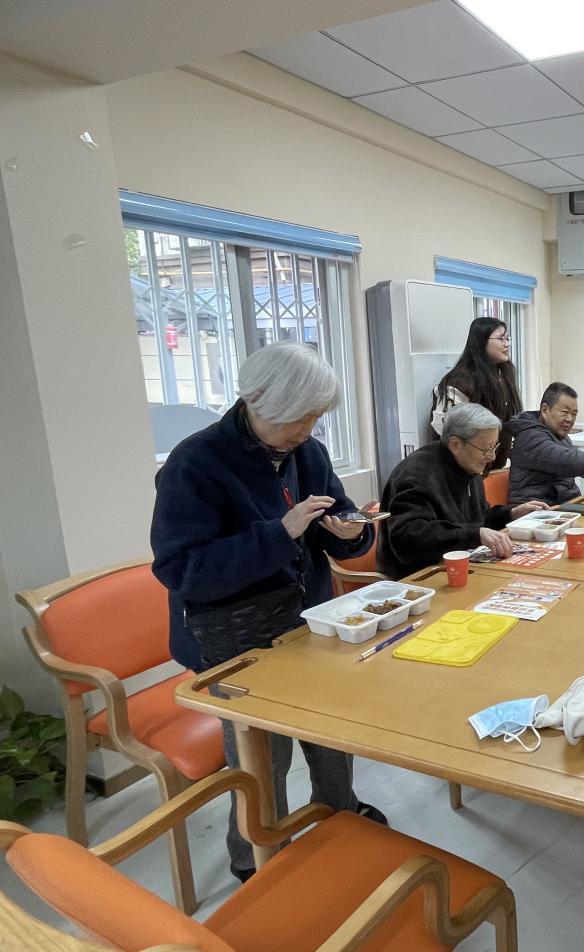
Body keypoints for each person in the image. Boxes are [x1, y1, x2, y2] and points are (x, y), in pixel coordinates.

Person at [151, 341, 385, 884]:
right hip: (231, 627)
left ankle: (338, 810)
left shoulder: (307, 452)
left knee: (329, 724)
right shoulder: (195, 463)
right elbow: (183, 570)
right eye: (299, 417)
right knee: (263, 751)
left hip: (308, 611)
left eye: (316, 417)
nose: (308, 429)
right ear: (256, 400)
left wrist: (351, 531)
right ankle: (255, 849)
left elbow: (335, 517)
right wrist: (280, 533)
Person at [379, 403, 547, 578]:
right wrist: (475, 535)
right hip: (421, 576)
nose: (492, 456)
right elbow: (409, 539)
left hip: (461, 565)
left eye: (494, 447)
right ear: (456, 444)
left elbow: (479, 519)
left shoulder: (467, 466)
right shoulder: (416, 474)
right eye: (486, 448)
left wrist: (512, 513)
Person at [428, 317, 522, 472]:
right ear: (481, 341)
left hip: (494, 465)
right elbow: (444, 428)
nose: (507, 344)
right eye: (501, 339)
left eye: (507, 339)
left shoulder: (505, 373)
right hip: (463, 468)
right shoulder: (461, 380)